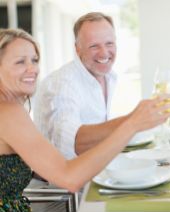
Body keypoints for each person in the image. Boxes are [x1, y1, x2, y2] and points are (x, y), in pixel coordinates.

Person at [0, 28, 170, 211]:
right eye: (20, 62)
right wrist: (132, 125)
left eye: (34, 60)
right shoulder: (9, 113)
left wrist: (132, 121)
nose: (32, 69)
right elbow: (70, 178)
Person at [33, 12, 127, 159]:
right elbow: (69, 144)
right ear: (78, 49)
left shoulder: (108, 76)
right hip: (57, 179)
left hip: (95, 168)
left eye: (109, 43)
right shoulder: (63, 83)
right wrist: (131, 122)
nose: (104, 53)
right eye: (94, 46)